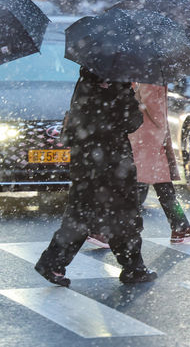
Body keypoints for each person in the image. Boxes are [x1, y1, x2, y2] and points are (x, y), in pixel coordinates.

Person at [35, 67, 157, 286]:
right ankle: (132, 268)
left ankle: (54, 262)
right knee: (122, 214)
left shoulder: (86, 81)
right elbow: (130, 122)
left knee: (83, 213)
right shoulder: (117, 83)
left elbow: (79, 120)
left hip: (86, 158)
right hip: (112, 160)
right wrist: (135, 101)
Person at [129, 83, 190, 244]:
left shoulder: (143, 73)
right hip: (150, 141)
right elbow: (155, 111)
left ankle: (180, 227)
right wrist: (162, 135)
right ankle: (104, 231)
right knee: (141, 189)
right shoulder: (152, 77)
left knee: (163, 188)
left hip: (146, 140)